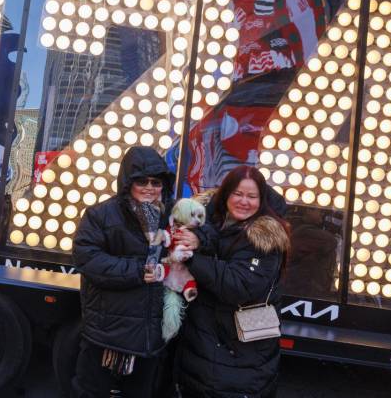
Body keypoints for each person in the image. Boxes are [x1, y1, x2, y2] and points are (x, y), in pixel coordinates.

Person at [173, 165, 290, 398]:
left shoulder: (265, 238)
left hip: (240, 352)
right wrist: (196, 238)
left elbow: (238, 285)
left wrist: (193, 258)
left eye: (251, 196)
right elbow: (213, 235)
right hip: (205, 344)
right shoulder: (215, 223)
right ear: (225, 195)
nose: (243, 201)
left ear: (262, 200)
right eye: (237, 194)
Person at [72, 146, 175, 398]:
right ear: (128, 182)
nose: (150, 187)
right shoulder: (100, 214)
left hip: (150, 335)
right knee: (91, 391)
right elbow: (88, 258)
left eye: (156, 181)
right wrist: (139, 271)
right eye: (142, 181)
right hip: (110, 332)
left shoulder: (171, 217)